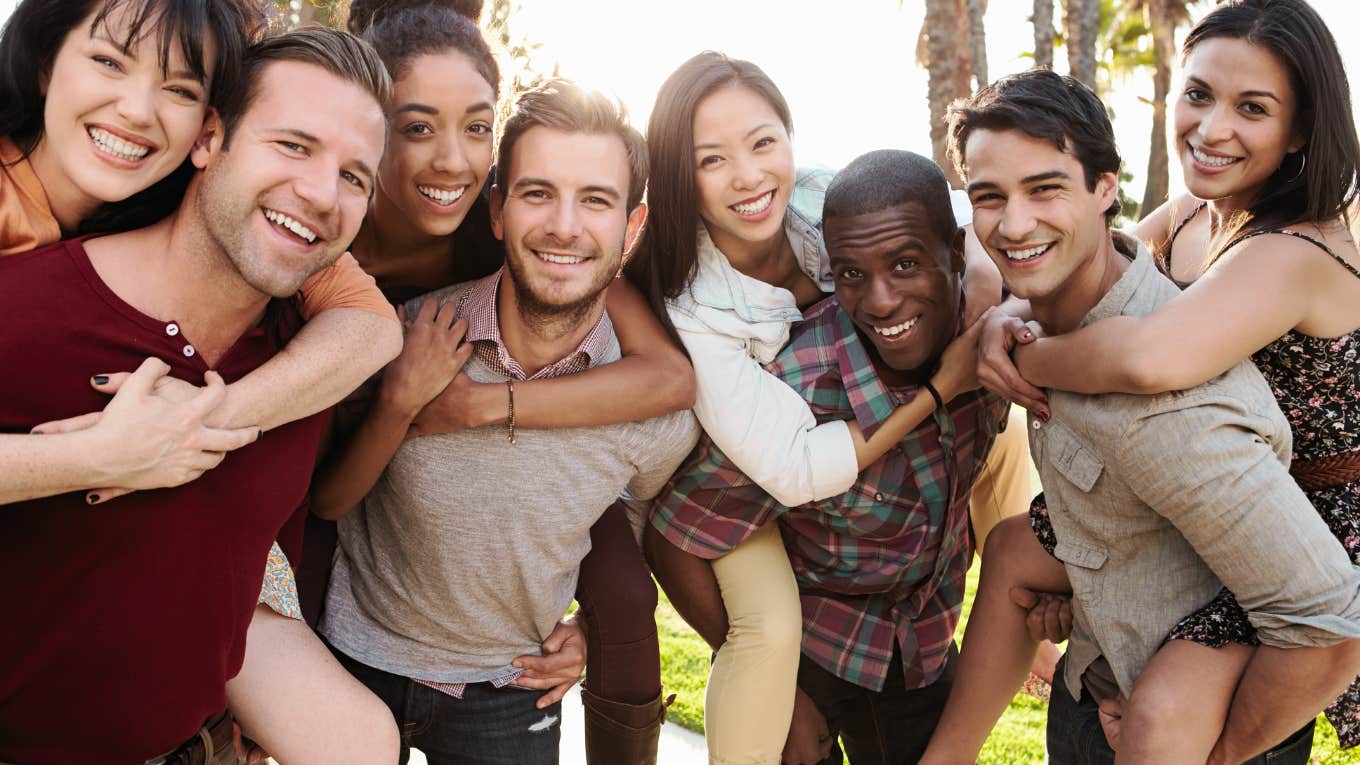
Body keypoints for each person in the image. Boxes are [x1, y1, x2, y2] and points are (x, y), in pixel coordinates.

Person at [920, 66, 1360, 765]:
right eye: (988, 196)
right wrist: (1009, 314)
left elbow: (1331, 622)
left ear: (1105, 188)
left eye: (1044, 189)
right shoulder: (1170, 231)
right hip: (1096, 675)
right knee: (1010, 549)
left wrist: (1221, 754)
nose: (1012, 222)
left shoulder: (1172, 401)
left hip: (1193, 720)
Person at [0, 3, 402, 761]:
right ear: (212, 144)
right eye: (292, 144)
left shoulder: (299, 355)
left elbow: (228, 567)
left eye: (354, 175)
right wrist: (90, 458)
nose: (322, 192)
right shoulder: (24, 310)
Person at [296, 3, 695, 761]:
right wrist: (402, 397)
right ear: (502, 210)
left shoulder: (552, 256)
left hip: (506, 681)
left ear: (630, 226)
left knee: (622, 595)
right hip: (361, 639)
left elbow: (663, 406)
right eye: (417, 127)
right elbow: (325, 495)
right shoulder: (369, 285)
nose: (450, 157)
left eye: (476, 127)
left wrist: (591, 629)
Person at [624, 51, 1026, 764]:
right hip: (772, 490)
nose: (748, 176)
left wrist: (987, 297)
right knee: (769, 631)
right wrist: (940, 386)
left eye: (762, 142)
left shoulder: (821, 199)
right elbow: (783, 470)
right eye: (711, 159)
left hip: (920, 629)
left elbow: (957, 219)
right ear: (680, 175)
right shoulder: (707, 311)